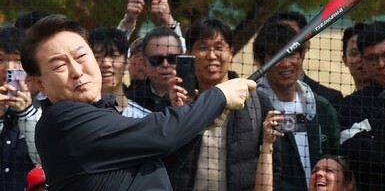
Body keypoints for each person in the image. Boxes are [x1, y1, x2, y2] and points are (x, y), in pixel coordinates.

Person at [20, 14, 255, 190]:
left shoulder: (98, 113)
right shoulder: (64, 120)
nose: (77, 71)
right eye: (60, 66)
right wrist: (219, 95)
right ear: (40, 84)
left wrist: (199, 125)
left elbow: (157, 163)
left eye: (81, 56)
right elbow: (162, 135)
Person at [167, 17, 282, 190]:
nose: (211, 56)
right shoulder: (175, 99)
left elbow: (276, 166)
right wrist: (179, 112)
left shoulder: (256, 102)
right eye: (202, 48)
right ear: (189, 54)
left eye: (219, 48)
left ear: (231, 52)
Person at [253, 21, 340, 190]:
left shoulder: (321, 108)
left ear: (302, 56)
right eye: (276, 55)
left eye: (292, 54)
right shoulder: (252, 109)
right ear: (259, 61)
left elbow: (335, 158)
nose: (286, 63)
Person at [339, 21, 385, 190]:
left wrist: (376, 137)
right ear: (363, 59)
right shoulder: (351, 106)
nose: (381, 64)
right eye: (372, 58)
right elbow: (364, 159)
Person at [267, 11, 343, 110]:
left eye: (293, 38)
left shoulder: (329, 99)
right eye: (278, 37)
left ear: (307, 44)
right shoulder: (250, 96)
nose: (286, 44)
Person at [0, 27, 41, 190]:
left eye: (17, 59)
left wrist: (26, 112)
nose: (8, 68)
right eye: (0, 59)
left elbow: (44, 161)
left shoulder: (47, 109)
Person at [88, 28, 151, 118]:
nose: (106, 63)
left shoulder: (143, 118)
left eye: (114, 56)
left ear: (127, 63)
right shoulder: (74, 114)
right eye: (97, 57)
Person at [126, 27, 182, 112]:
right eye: (157, 59)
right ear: (144, 62)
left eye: (172, 58)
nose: (165, 64)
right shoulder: (129, 102)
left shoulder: (197, 95)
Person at [117, 0, 186, 51]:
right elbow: (115, 49)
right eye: (138, 51)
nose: (142, 58)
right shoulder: (123, 63)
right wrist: (128, 21)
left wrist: (169, 22)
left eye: (154, 57)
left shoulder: (166, 62)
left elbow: (179, 54)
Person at [341, 22, 371, 91]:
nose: (360, 59)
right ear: (345, 60)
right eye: (354, 53)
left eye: (365, 52)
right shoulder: (346, 101)